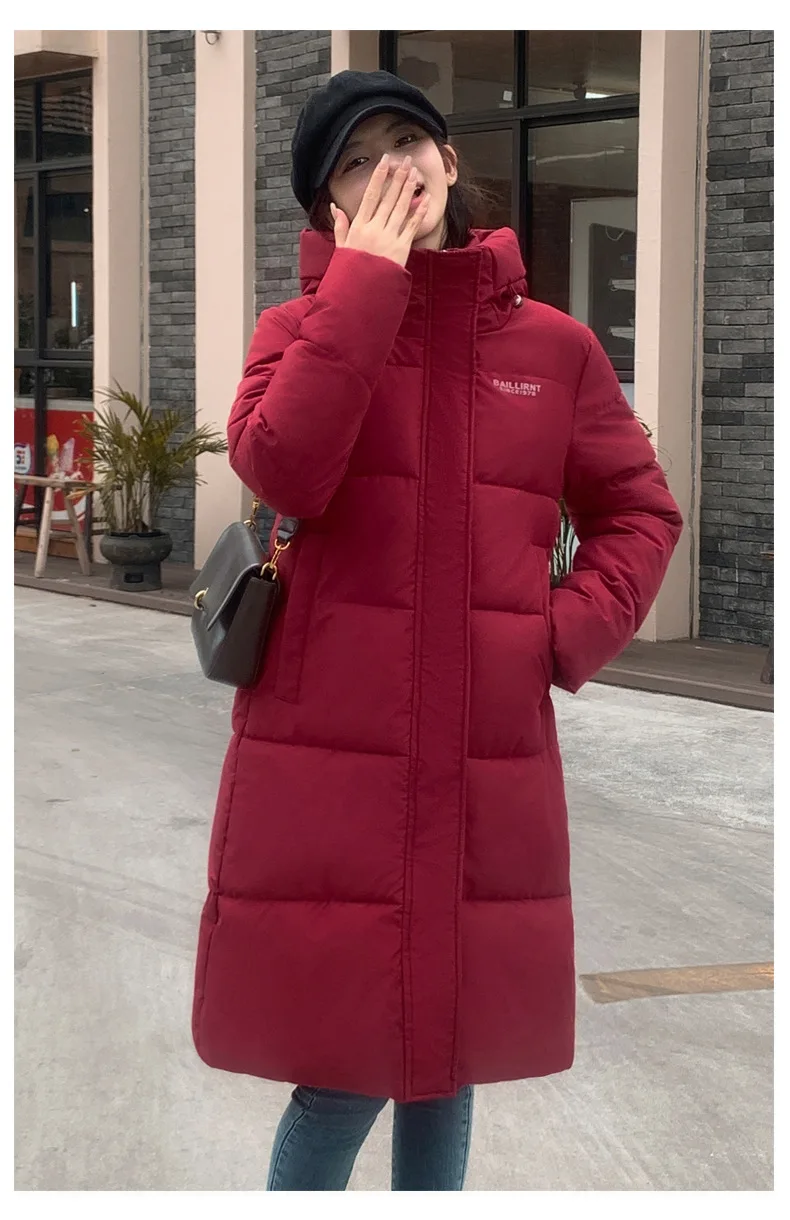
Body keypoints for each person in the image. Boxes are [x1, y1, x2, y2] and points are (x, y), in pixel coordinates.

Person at [191, 70, 683, 1191]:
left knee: (446, 1045)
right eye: (354, 162)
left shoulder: (554, 349)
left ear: (450, 164)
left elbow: (639, 511)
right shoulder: (295, 331)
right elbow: (283, 471)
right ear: (328, 206)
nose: (389, 171)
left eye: (405, 143)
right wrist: (364, 287)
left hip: (481, 748)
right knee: (341, 1067)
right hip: (327, 749)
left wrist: (556, 634)